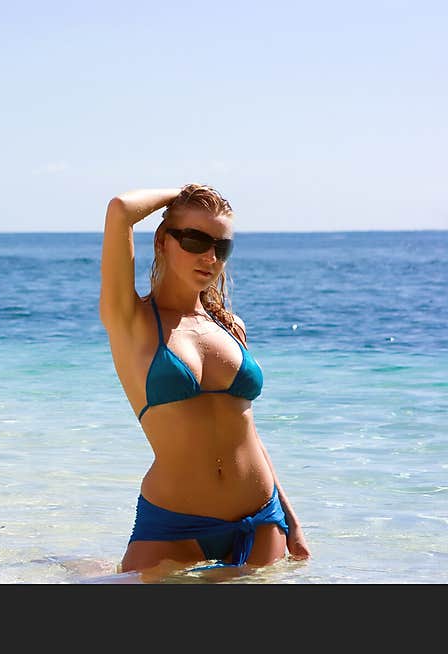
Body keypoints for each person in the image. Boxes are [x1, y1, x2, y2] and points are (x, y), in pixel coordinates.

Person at [99, 183, 310, 578]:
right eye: (195, 239)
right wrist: (181, 194)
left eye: (221, 246)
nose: (210, 256)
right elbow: (121, 210)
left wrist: (292, 520)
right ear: (163, 240)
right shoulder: (131, 321)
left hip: (262, 519)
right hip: (172, 526)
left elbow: (247, 430)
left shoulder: (231, 327)